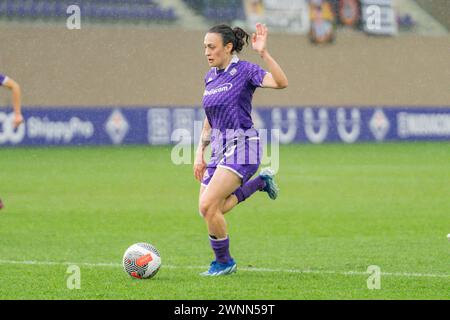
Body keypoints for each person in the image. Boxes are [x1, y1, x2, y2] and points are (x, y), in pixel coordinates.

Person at [194, 23, 288, 276]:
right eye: (204, 47)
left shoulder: (245, 71)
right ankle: (260, 183)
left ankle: (224, 263)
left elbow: (281, 82)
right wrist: (198, 154)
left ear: (228, 47)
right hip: (218, 151)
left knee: (207, 206)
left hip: (244, 147)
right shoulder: (210, 77)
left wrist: (264, 53)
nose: (206, 52)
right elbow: (209, 119)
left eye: (211, 47)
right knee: (212, 208)